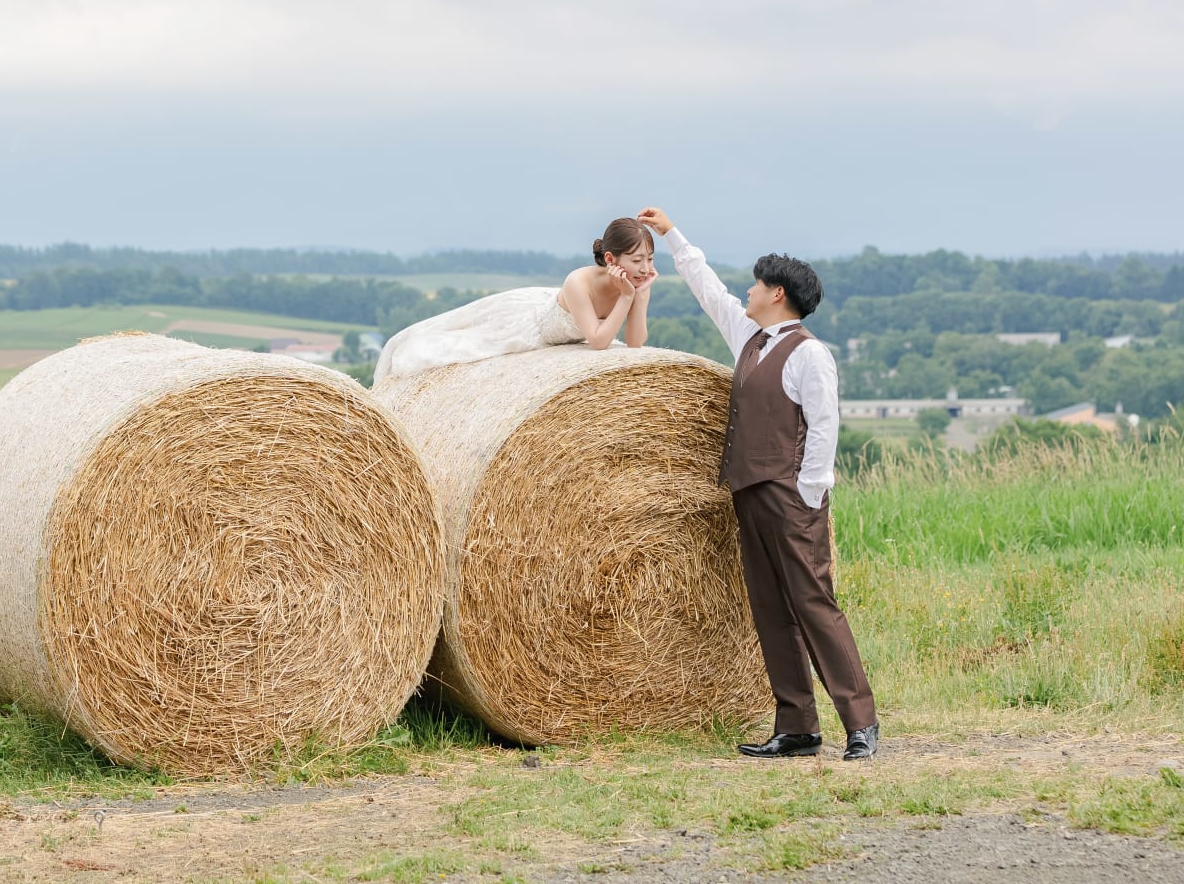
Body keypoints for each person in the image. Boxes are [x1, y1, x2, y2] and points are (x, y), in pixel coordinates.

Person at [636, 206, 878, 761]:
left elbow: (824, 426)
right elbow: (709, 291)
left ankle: (861, 722)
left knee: (813, 605)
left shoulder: (810, 353)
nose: (747, 290)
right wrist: (672, 236)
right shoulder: (750, 336)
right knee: (770, 609)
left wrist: (809, 493)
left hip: (792, 498)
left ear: (777, 293)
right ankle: (797, 727)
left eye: (756, 284)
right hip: (748, 492)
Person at [374, 217, 657, 384]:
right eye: (636, 260)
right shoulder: (578, 282)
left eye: (650, 259)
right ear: (610, 259)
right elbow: (598, 342)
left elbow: (635, 343)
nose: (645, 269)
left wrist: (640, 296)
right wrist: (626, 298)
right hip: (530, 325)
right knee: (454, 344)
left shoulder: (633, 284)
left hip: (562, 317)